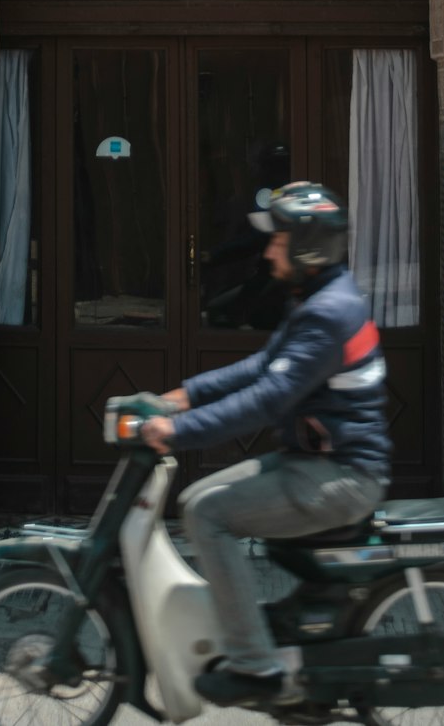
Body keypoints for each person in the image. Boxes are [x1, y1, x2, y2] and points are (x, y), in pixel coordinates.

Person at [140, 181, 391, 708]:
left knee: (209, 515)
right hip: (319, 462)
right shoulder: (322, 299)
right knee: (195, 501)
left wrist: (178, 432)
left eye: (278, 238)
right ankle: (276, 632)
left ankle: (255, 664)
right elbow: (262, 366)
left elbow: (269, 398)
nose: (269, 248)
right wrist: (183, 397)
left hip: (341, 476)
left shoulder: (327, 314)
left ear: (307, 247)